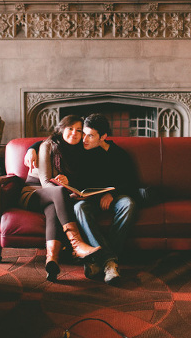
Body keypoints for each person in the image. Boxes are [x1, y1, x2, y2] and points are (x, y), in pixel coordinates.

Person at [18, 115, 100, 281]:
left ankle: (52, 261)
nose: (74, 134)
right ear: (62, 128)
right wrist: (66, 193)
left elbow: (80, 180)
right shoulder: (47, 145)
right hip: (33, 193)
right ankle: (76, 244)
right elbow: (46, 182)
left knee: (53, 211)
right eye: (70, 129)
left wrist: (71, 186)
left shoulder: (80, 151)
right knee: (60, 193)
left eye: (79, 131)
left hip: (53, 199)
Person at [74, 113, 139, 284]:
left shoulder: (119, 155)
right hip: (90, 200)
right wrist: (31, 149)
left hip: (116, 198)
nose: (84, 139)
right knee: (78, 208)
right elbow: (55, 138)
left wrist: (111, 194)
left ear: (103, 137)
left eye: (90, 135)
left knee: (129, 204)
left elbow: (132, 183)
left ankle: (99, 260)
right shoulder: (80, 150)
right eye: (84, 134)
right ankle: (110, 261)